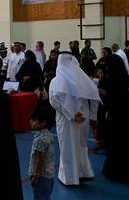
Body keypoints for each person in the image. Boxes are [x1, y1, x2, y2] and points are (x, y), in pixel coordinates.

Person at [49, 51, 101, 186]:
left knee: (68, 147)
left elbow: (53, 101)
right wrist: (91, 116)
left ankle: (70, 178)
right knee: (80, 146)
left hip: (67, 120)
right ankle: (84, 173)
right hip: (83, 118)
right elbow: (94, 96)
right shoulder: (82, 79)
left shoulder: (56, 81)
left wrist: (71, 115)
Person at [101, 55, 129, 183]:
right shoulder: (122, 75)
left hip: (117, 116)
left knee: (116, 145)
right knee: (125, 145)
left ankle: (117, 172)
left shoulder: (113, 79)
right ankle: (126, 172)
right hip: (125, 116)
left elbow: (113, 99)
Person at [29, 106, 56, 200]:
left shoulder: (39, 140)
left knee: (39, 197)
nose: (30, 122)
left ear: (43, 123)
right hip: (49, 176)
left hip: (41, 178)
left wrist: (36, 176)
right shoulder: (49, 135)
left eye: (33, 120)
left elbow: (40, 159)